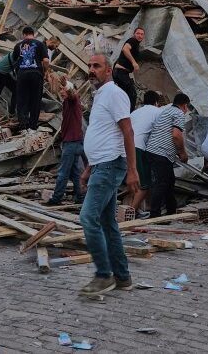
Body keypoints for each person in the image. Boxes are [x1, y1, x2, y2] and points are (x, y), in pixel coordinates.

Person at [78, 54, 139, 297]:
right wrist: (88, 168)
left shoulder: (114, 94)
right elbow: (104, 135)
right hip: (100, 165)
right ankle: (123, 277)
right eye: (90, 65)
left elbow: (128, 132)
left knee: (87, 218)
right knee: (107, 224)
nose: (92, 69)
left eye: (97, 66)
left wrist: (133, 171)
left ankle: (104, 275)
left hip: (110, 166)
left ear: (108, 71)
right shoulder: (101, 95)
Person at [144, 93, 191, 218]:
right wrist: (182, 153)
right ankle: (155, 215)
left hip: (153, 150)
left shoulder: (166, 111)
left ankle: (171, 212)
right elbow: (176, 135)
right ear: (185, 106)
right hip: (161, 152)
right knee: (161, 183)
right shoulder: (179, 113)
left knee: (169, 181)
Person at [46, 82, 86, 205]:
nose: (61, 91)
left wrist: (68, 87)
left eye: (64, 89)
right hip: (74, 142)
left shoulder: (74, 101)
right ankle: (80, 197)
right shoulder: (67, 103)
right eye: (61, 89)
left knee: (63, 172)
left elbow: (73, 95)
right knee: (74, 172)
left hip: (72, 143)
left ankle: (56, 198)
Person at [128, 90, 163, 218]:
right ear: (156, 102)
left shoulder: (135, 112)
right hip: (139, 148)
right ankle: (130, 212)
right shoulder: (157, 112)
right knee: (145, 184)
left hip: (126, 147)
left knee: (135, 181)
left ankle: (141, 209)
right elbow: (161, 132)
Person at [12, 26, 49, 131]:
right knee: (35, 99)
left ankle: (23, 124)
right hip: (36, 74)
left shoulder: (18, 45)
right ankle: (32, 125)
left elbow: (14, 60)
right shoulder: (40, 44)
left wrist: (17, 71)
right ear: (33, 34)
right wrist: (45, 72)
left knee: (22, 99)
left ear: (24, 34)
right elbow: (46, 61)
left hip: (22, 74)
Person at [113, 27, 145, 111]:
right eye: (138, 33)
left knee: (122, 95)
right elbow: (125, 49)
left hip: (119, 72)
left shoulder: (136, 44)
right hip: (121, 72)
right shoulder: (132, 40)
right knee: (132, 95)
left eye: (142, 34)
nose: (140, 35)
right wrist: (134, 62)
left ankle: (119, 112)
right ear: (134, 34)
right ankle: (129, 116)